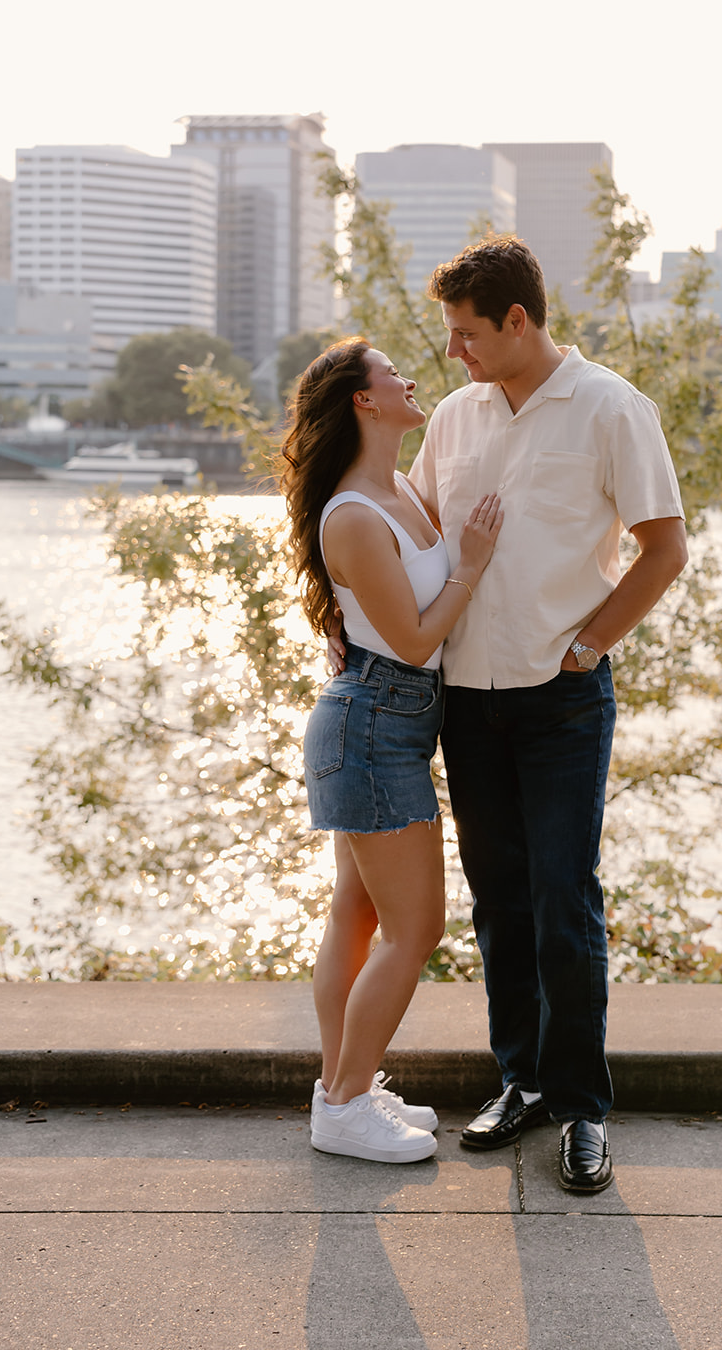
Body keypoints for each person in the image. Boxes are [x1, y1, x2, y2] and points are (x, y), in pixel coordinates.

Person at [408, 236, 688, 1194]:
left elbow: (662, 548)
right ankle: (520, 1081)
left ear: (517, 321)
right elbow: (411, 537)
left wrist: (589, 644)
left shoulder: (611, 407)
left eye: (466, 334)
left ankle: (582, 1111)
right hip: (466, 701)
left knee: (566, 908)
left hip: (563, 701)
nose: (455, 352)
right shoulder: (453, 416)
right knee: (499, 904)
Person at [281, 336, 502, 1164]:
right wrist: (469, 568)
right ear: (361, 402)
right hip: (373, 722)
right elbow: (411, 642)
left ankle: (342, 1085)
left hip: (392, 723)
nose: (410, 379)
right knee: (415, 931)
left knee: (358, 913)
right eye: (390, 374)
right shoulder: (351, 514)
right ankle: (341, 1105)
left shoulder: (402, 489)